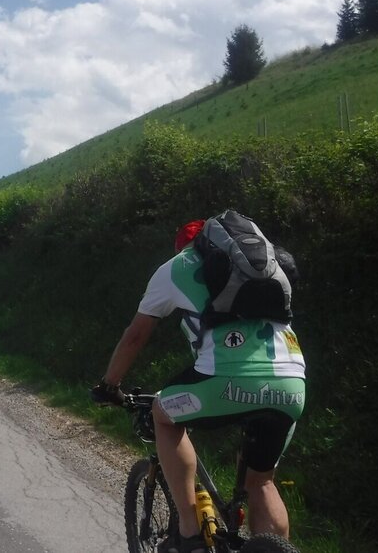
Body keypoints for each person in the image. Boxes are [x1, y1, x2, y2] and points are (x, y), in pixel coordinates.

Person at [92, 218, 305, 553]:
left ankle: (190, 534)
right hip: (292, 383)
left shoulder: (177, 266)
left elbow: (135, 336)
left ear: (185, 246)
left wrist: (109, 385)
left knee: (163, 414)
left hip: (226, 378)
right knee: (261, 481)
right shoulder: (265, 268)